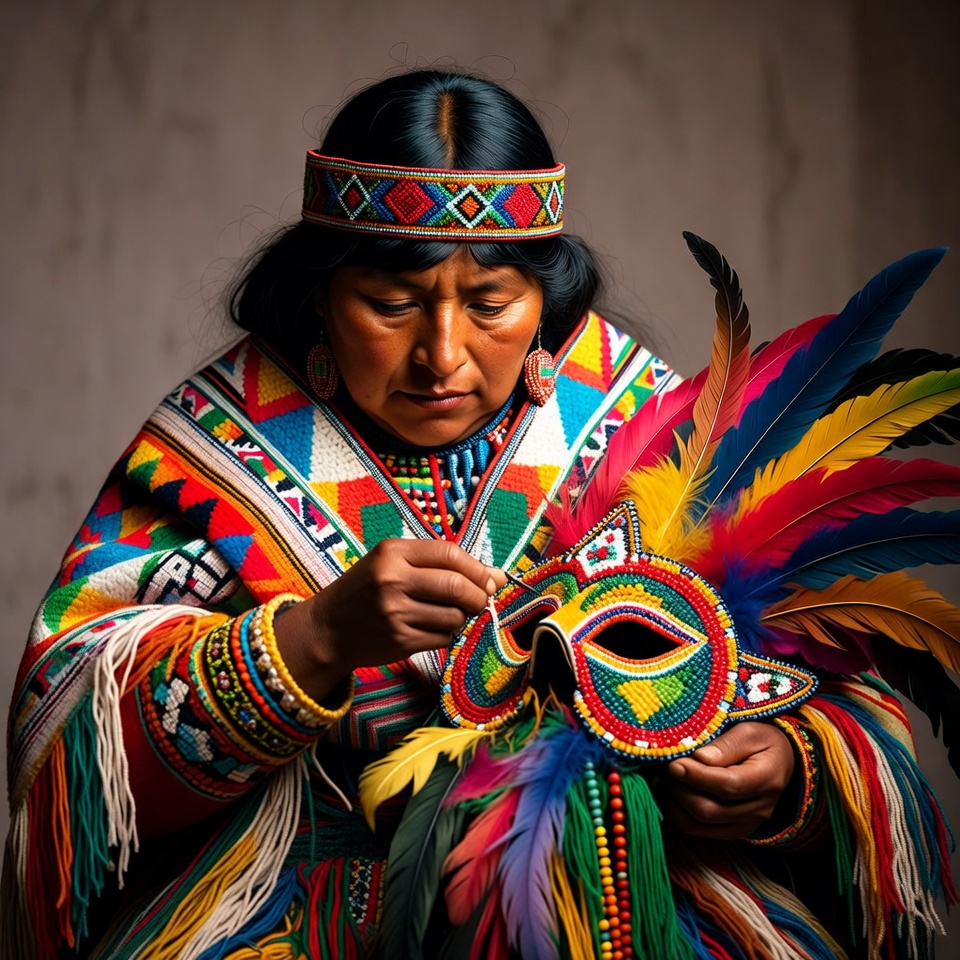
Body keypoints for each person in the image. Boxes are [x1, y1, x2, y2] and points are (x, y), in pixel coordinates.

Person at [2, 69, 954, 960]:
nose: (443, 354)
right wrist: (312, 640)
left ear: (546, 301)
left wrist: (785, 769)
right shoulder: (214, 443)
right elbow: (68, 730)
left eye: (490, 303)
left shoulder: (646, 430)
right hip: (309, 907)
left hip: (619, 900)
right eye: (392, 302)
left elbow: (820, 669)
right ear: (318, 296)